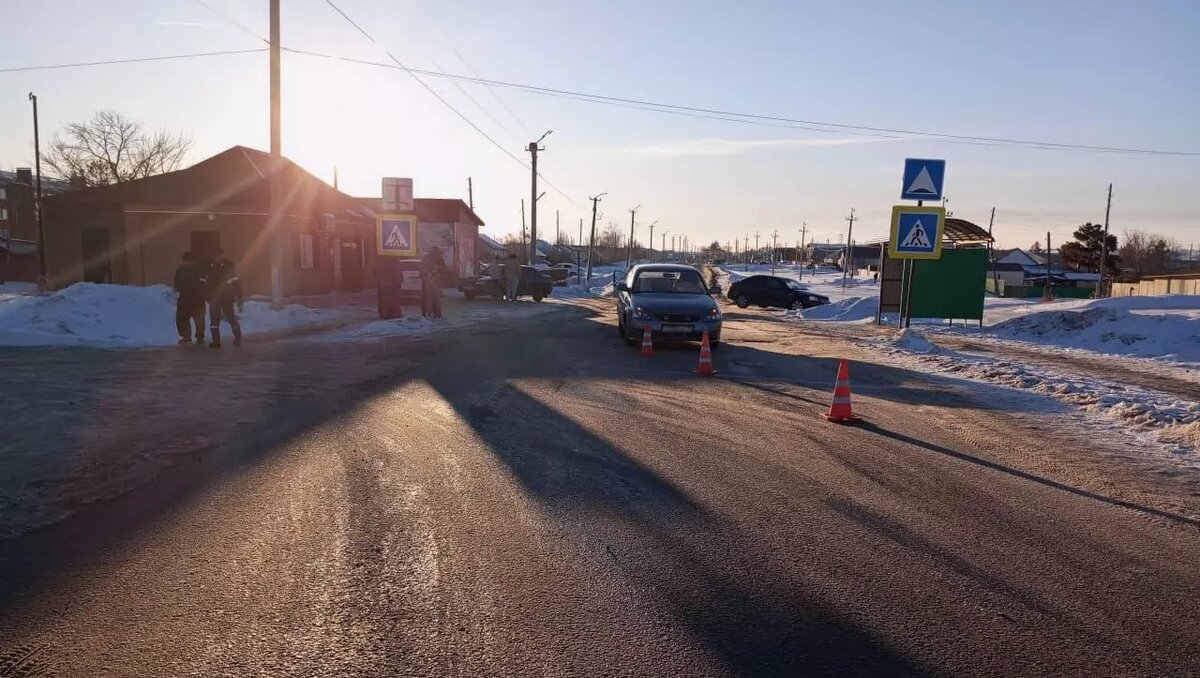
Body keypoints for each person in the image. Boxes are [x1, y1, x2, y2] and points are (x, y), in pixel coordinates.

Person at [202, 250, 244, 348]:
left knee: (231, 318)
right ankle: (216, 342)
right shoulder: (209, 268)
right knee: (214, 322)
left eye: (220, 256)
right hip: (214, 299)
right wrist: (207, 296)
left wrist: (239, 296)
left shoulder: (228, 268)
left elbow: (236, 283)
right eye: (217, 256)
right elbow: (205, 284)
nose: (218, 258)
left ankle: (238, 338)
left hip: (227, 298)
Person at [173, 252, 206, 344]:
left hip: (197, 298)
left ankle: (200, 337)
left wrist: (198, 289)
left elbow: (203, 282)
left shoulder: (198, 270)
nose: (187, 263)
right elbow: (176, 282)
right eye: (185, 261)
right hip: (184, 298)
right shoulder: (181, 270)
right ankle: (186, 336)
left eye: (189, 261)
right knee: (182, 318)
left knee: (199, 318)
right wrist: (179, 288)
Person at [421, 247, 446, 318]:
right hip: (429, 284)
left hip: (434, 284)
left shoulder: (439, 260)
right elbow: (422, 270)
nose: (438, 255)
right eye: (438, 253)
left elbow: (443, 269)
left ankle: (436, 315)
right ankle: (428, 315)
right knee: (429, 301)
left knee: (435, 301)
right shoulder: (428, 258)